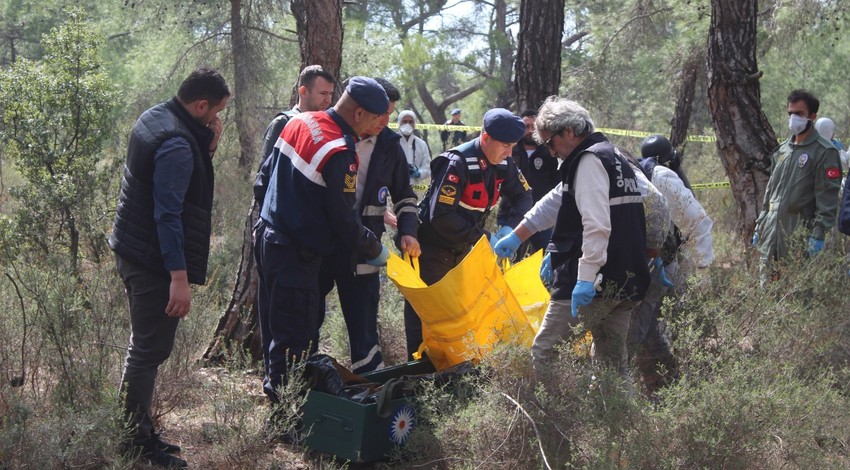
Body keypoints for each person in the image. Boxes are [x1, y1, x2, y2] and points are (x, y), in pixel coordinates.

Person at [109, 67, 230, 468]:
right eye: (214, 115)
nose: (217, 122)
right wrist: (178, 277)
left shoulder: (155, 116)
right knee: (148, 350)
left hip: (133, 248)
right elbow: (168, 215)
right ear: (199, 105)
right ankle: (134, 444)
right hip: (153, 261)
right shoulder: (177, 144)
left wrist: (206, 146)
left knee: (142, 347)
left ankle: (137, 430)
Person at [254, 77, 390, 405]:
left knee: (276, 329)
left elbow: (263, 179)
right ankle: (286, 416)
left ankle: (276, 394)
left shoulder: (300, 121)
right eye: (376, 120)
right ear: (358, 113)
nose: (378, 129)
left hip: (268, 238)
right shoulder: (341, 151)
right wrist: (373, 246)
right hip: (295, 254)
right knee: (294, 341)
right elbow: (343, 218)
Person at [493, 97, 650, 379]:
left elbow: (596, 226)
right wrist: (518, 236)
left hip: (595, 280)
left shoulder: (588, 161)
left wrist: (585, 278)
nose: (551, 152)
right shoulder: (612, 155)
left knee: (545, 352)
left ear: (568, 132)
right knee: (612, 366)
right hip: (626, 278)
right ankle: (618, 421)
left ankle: (551, 420)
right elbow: (555, 201)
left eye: (550, 143)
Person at [318, 78, 421, 373]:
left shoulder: (390, 145)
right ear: (362, 110)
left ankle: (367, 389)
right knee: (309, 317)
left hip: (365, 248)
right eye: (380, 113)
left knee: (363, 323)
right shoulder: (333, 134)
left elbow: (405, 196)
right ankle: (305, 386)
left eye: (390, 114)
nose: (384, 121)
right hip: (321, 244)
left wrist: (408, 231)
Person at [630, 134, 715, 393]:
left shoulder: (661, 177)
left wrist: (701, 268)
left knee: (644, 328)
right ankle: (666, 384)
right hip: (641, 264)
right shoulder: (642, 174)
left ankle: (669, 385)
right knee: (649, 327)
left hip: (662, 265)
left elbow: (698, 222)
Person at [753, 89, 842, 279]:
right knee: (767, 292)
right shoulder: (783, 150)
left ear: (812, 116)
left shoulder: (824, 152)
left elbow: (827, 199)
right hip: (771, 233)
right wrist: (761, 223)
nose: (793, 118)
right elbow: (770, 192)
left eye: (799, 114)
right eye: (790, 113)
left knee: (796, 297)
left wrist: (818, 235)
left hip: (798, 234)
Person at [254, 65, 336, 205]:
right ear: (303, 91)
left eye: (330, 94)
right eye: (323, 94)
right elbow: (263, 180)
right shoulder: (283, 123)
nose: (328, 100)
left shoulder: (327, 129)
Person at [496, 109, 560, 260]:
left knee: (543, 256)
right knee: (507, 259)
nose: (530, 131)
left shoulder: (549, 152)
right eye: (526, 126)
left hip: (541, 216)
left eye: (534, 127)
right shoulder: (510, 150)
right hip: (511, 214)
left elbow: (558, 182)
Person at [397, 110, 432, 184]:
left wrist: (419, 173)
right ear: (399, 122)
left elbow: (427, 167)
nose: (407, 124)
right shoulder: (392, 142)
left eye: (410, 122)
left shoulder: (421, 144)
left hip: (414, 188)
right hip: (393, 187)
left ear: (415, 123)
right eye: (404, 121)